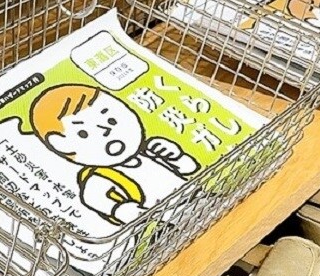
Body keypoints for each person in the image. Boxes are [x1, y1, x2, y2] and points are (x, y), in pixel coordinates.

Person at [30, 84, 199, 226]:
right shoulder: (99, 177)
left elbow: (188, 169)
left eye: (111, 120)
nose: (106, 131)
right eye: (84, 133)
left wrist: (177, 157)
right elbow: (96, 198)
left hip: (199, 198)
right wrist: (124, 211)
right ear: (61, 144)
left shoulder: (150, 151)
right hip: (170, 221)